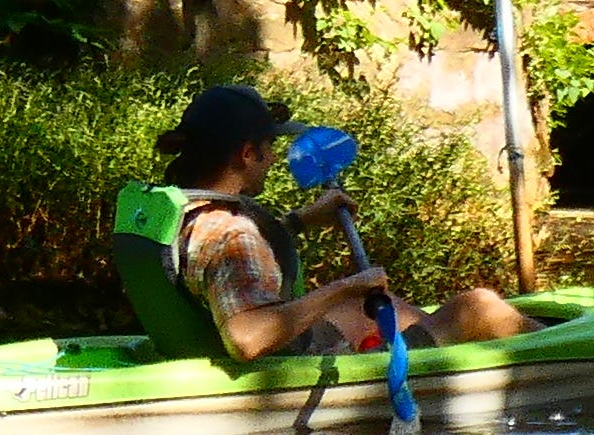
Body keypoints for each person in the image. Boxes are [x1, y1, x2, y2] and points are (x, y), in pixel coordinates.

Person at [155, 82, 531, 359]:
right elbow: (247, 338)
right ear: (248, 153)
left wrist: (300, 221)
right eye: (268, 149)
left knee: (387, 307)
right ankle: (567, 356)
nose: (272, 160)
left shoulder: (184, 213)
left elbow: (226, 267)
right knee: (478, 307)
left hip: (269, 344)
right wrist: (346, 287)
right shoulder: (232, 232)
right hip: (291, 363)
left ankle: (444, 333)